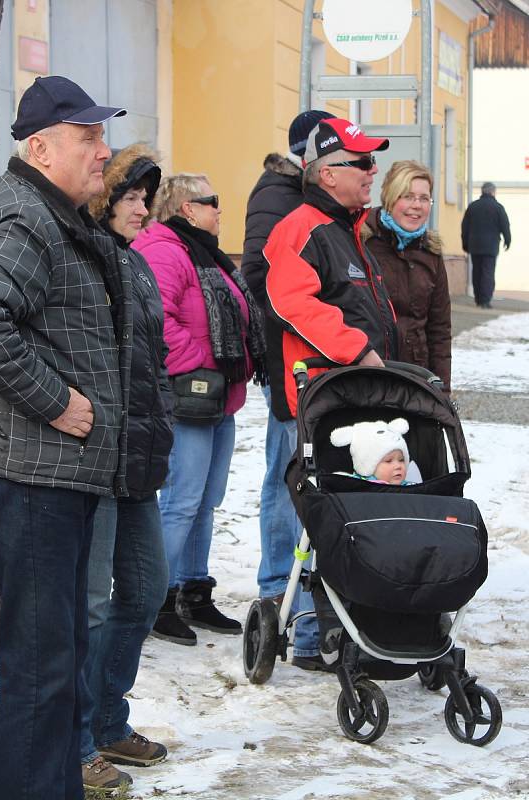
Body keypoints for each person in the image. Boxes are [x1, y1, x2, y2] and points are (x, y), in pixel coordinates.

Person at [0, 76, 129, 800]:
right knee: (41, 667)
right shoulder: (23, 217)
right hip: (31, 474)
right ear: (42, 147)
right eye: (88, 138)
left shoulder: (56, 215)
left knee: (61, 658)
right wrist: (56, 403)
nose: (103, 150)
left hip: (57, 476)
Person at [264, 118, 397, 660]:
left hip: (357, 393)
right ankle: (319, 638)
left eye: (372, 160)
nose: (372, 171)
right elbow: (291, 301)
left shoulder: (344, 227)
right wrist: (356, 349)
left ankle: (362, 627)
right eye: (361, 162)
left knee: (362, 516)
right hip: (328, 396)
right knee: (330, 518)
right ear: (326, 172)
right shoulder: (302, 227)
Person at [133, 173, 266, 645]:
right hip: (190, 397)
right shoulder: (165, 249)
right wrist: (198, 366)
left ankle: (194, 589)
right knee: (182, 501)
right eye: (213, 201)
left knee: (206, 501)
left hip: (218, 397)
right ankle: (157, 599)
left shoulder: (203, 253)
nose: (219, 210)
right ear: (187, 207)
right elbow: (154, 317)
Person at [77, 144, 174, 793]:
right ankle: (79, 738)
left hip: (136, 462)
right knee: (87, 606)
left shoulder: (137, 267)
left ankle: (110, 718)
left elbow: (153, 366)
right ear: (105, 197)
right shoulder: (82, 261)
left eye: (146, 197)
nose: (142, 207)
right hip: (87, 462)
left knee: (145, 590)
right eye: (132, 196)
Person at [242, 109, 333, 672]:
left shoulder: (310, 202)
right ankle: (278, 599)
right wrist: (315, 316)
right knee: (285, 486)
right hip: (293, 373)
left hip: (322, 376)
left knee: (312, 489)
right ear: (308, 156)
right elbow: (263, 275)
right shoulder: (279, 196)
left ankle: (309, 611)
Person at [362, 160, 452, 391]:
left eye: (424, 198)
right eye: (408, 196)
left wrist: (442, 391)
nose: (417, 206)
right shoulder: (362, 241)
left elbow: (439, 330)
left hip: (416, 376)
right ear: (390, 198)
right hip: (368, 373)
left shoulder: (431, 253)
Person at [461, 181, 511, 309]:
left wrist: (465, 243)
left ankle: (478, 298)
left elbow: (465, 227)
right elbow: (505, 225)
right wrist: (507, 240)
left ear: (482, 191)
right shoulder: (498, 207)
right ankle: (485, 300)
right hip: (491, 246)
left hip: (475, 245)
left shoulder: (473, 207)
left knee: (477, 271)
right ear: (493, 192)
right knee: (488, 272)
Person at [330, 418, 417, 485]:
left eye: (401, 460)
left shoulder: (411, 488)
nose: (398, 466)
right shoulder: (356, 485)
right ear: (368, 466)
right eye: (388, 461)